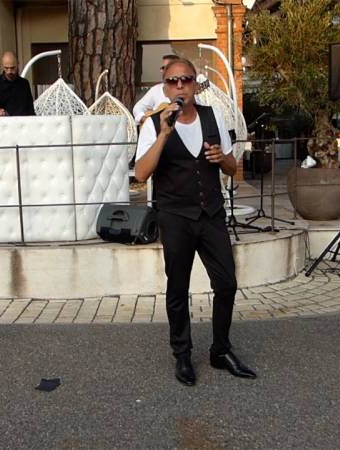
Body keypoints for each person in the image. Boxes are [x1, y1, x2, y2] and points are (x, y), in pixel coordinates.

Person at [135, 58, 256, 386]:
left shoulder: (213, 115)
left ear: (194, 84)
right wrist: (164, 134)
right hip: (175, 217)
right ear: (165, 86)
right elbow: (141, 173)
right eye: (173, 81)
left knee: (227, 283)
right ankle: (182, 353)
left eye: (186, 80)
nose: (179, 86)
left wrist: (223, 158)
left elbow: (231, 167)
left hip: (211, 214)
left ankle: (220, 350)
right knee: (178, 288)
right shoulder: (153, 124)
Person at [132, 54, 180, 124]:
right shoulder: (156, 90)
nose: (162, 71)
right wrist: (145, 120)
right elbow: (138, 108)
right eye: (162, 68)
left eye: (165, 68)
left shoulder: (184, 91)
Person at [0, 51, 35, 116]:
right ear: (2, 66)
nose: (9, 71)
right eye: (6, 68)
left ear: (17, 64)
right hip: (2, 121)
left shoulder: (24, 83)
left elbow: (30, 108)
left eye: (12, 68)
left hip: (21, 120)